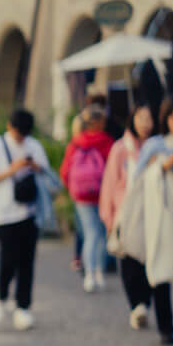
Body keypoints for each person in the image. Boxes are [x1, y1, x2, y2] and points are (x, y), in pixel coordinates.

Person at [0, 107, 50, 331]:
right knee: (8, 259)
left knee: (27, 261)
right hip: (4, 213)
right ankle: (0, 296)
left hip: (29, 212)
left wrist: (33, 166)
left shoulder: (34, 145)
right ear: (10, 127)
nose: (22, 138)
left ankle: (23, 307)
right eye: (19, 133)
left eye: (25, 134)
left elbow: (47, 173)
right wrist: (12, 169)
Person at [125, 98, 173, 345]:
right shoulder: (156, 146)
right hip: (164, 216)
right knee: (162, 270)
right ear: (166, 118)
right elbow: (139, 183)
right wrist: (161, 168)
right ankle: (166, 327)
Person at [104, 103, 157, 330]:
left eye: (149, 118)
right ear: (132, 119)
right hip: (126, 212)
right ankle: (136, 305)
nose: (145, 123)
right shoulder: (121, 149)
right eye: (141, 118)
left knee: (150, 258)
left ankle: (145, 301)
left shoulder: (158, 147)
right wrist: (108, 217)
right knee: (128, 260)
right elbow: (110, 183)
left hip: (152, 211)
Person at [61, 107, 115, 291]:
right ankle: (98, 272)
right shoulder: (106, 142)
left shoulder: (76, 142)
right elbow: (114, 171)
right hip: (102, 194)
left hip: (81, 196)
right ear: (99, 122)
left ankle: (90, 273)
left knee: (89, 234)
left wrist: (72, 190)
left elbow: (65, 171)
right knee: (100, 234)